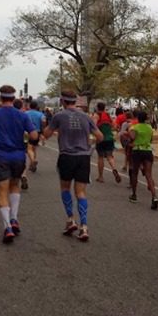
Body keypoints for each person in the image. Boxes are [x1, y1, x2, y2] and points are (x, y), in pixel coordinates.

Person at [43, 90, 103, 241]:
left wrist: (45, 126)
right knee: (81, 192)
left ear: (62, 101)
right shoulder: (86, 116)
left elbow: (47, 134)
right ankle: (84, 227)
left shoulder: (58, 116)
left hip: (67, 156)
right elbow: (100, 136)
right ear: (75, 101)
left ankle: (70, 219)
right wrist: (90, 144)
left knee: (65, 188)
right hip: (83, 157)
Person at [0, 85, 38, 243]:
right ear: (13, 98)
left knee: (2, 193)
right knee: (14, 186)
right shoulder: (22, 115)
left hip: (1, 156)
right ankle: (14, 219)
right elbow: (33, 134)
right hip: (18, 156)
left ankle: (7, 228)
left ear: (0, 97)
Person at [128, 111, 158, 209]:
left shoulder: (135, 127)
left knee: (134, 172)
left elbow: (132, 137)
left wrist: (129, 137)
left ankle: (134, 195)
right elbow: (150, 140)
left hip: (137, 151)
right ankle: (154, 196)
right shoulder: (149, 128)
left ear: (137, 118)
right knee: (148, 174)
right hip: (148, 151)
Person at [94, 102, 121, 184]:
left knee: (100, 157)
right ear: (104, 107)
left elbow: (93, 126)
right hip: (110, 138)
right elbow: (114, 126)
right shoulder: (108, 115)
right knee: (110, 156)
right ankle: (114, 168)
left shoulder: (96, 115)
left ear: (97, 107)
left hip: (101, 139)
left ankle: (100, 177)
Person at [26, 100, 46, 173]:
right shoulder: (40, 114)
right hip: (37, 131)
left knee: (29, 148)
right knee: (34, 148)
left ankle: (33, 161)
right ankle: (32, 165)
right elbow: (44, 121)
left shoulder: (26, 113)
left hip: (27, 132)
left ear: (30, 106)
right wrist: (42, 128)